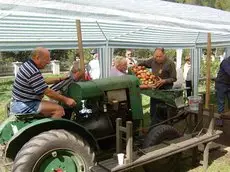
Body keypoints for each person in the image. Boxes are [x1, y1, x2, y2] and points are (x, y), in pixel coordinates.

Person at [10, 47, 77, 118]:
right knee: (59, 110)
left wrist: (60, 78)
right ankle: (52, 129)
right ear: (37, 57)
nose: (48, 62)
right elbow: (48, 92)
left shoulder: (27, 65)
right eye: (46, 59)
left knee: (53, 102)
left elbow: (41, 81)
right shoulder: (33, 71)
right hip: (24, 105)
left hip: (20, 102)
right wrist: (66, 100)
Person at [138, 48, 177, 124]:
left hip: (166, 90)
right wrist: (136, 66)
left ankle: (165, 127)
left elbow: (174, 78)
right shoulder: (153, 60)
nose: (158, 58)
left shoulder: (170, 63)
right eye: (156, 56)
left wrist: (164, 81)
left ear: (164, 55)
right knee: (153, 108)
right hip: (155, 89)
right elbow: (144, 63)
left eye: (160, 56)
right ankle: (154, 125)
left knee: (164, 109)